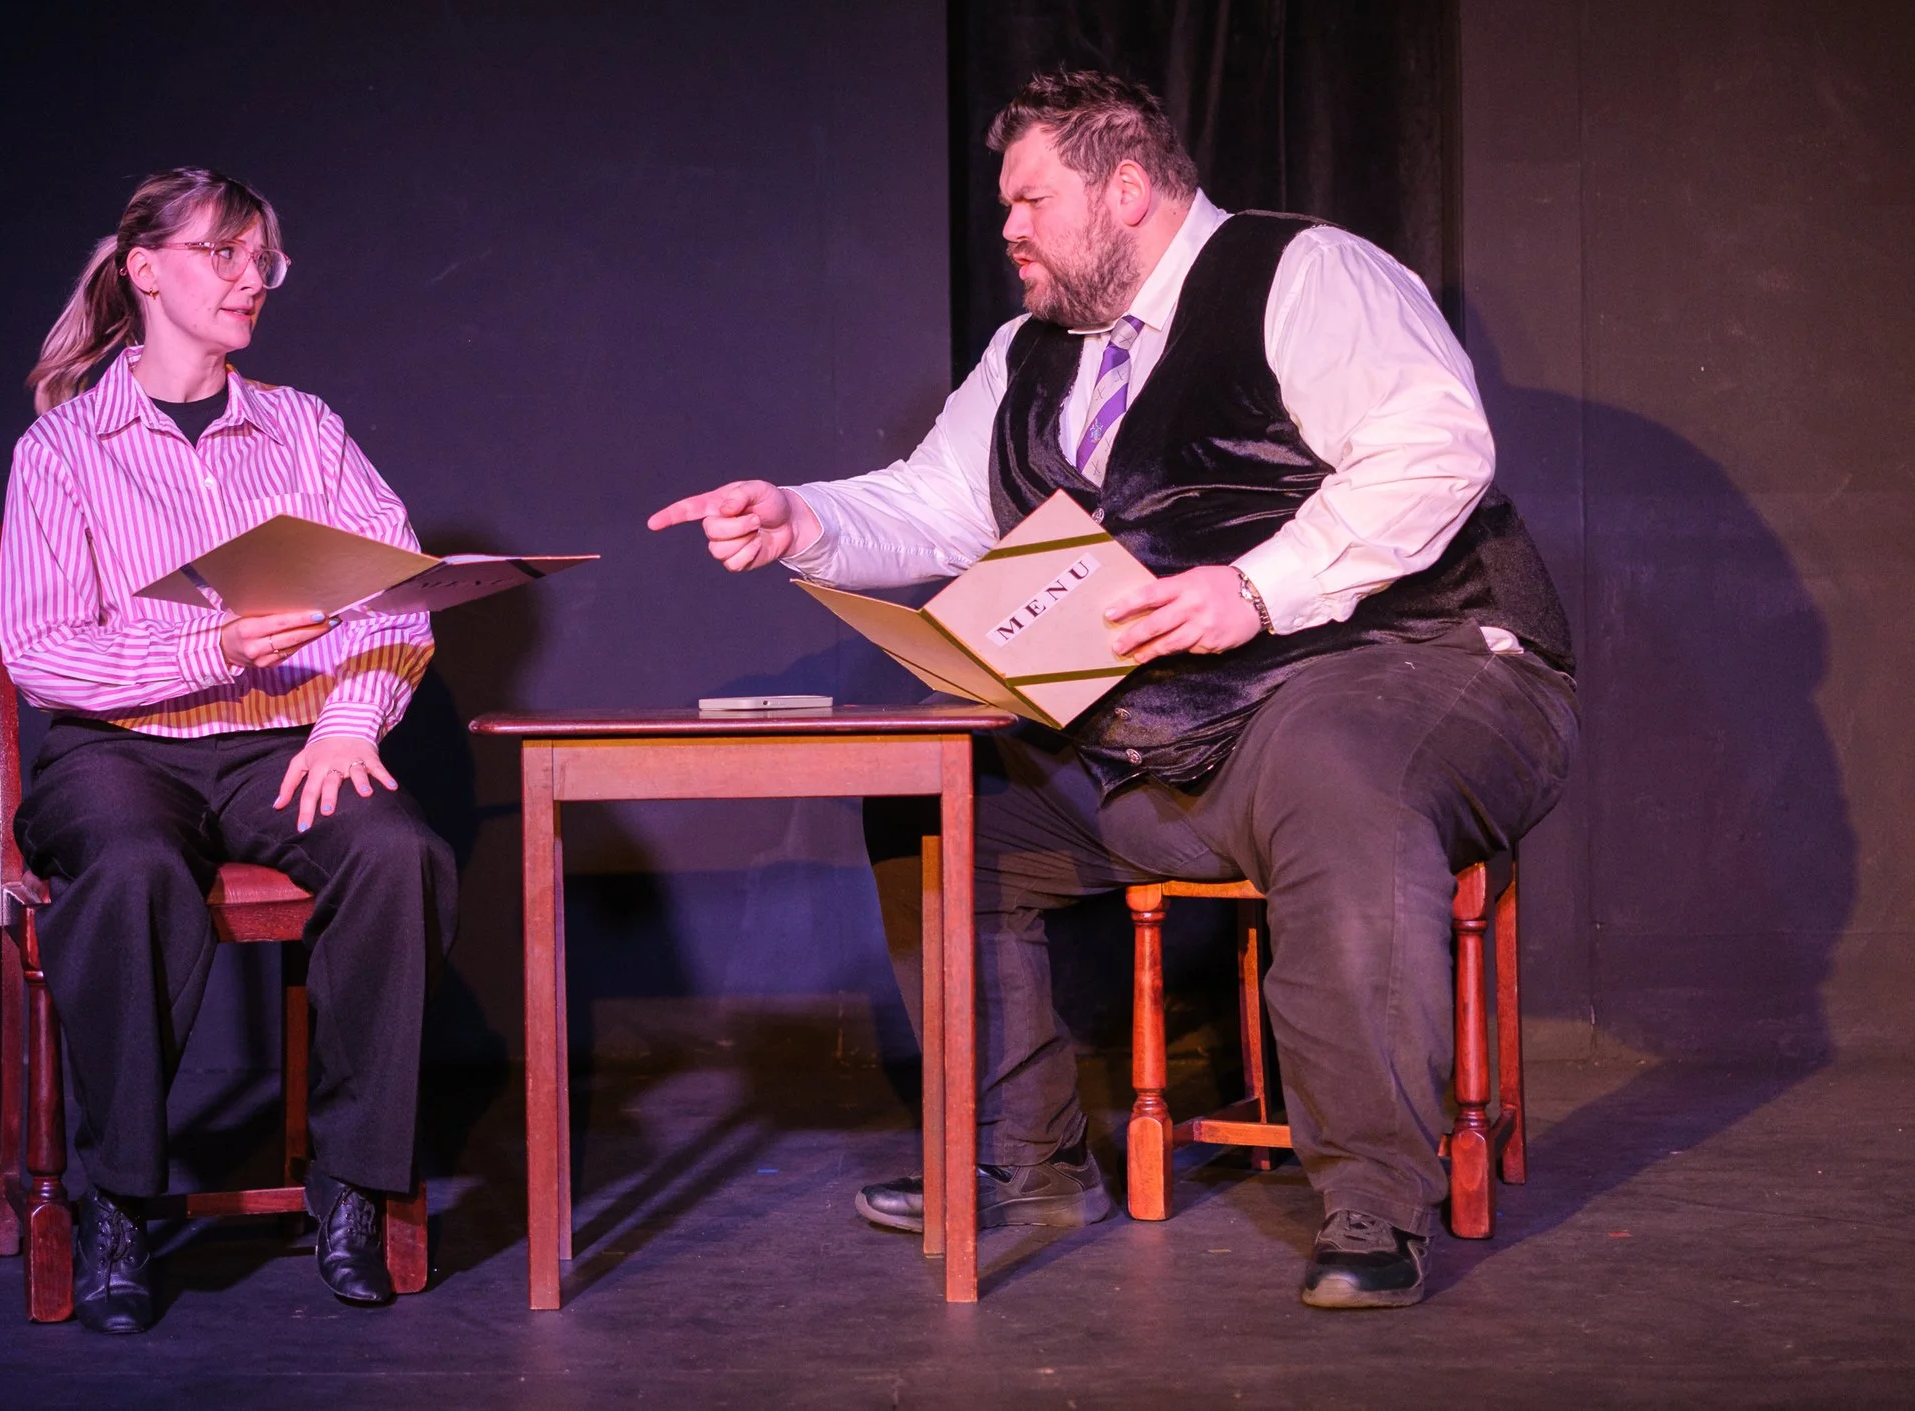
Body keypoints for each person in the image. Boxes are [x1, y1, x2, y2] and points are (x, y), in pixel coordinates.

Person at [650, 71, 1578, 1309]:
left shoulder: (1302, 275)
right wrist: (802, 517)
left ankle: (1373, 1197)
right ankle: (1022, 1159)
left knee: (1333, 767)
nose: (1008, 228)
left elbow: (1432, 447)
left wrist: (1252, 588)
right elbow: (937, 500)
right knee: (940, 792)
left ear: (1126, 189)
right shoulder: (1029, 353)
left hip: (1422, 670)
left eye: (1029, 200)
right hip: (1183, 731)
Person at [0, 168, 454, 1333]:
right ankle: (120, 1198)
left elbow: (399, 594)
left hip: (281, 745)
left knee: (397, 852)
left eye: (264, 259)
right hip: (119, 752)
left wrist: (349, 719)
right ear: (146, 269)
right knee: (130, 868)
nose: (252, 277)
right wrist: (215, 645)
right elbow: (41, 649)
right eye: (225, 253)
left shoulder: (303, 427)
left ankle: (353, 1183)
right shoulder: (63, 447)